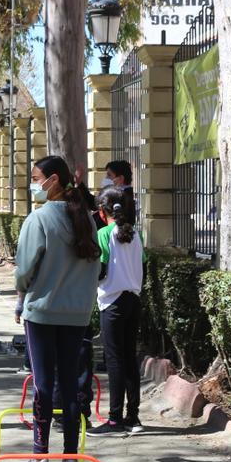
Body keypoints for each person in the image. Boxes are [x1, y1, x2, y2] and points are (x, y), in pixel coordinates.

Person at [11, 155, 101, 462]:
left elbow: (23, 270)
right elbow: (95, 267)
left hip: (43, 311)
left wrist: (21, 293)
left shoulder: (39, 220)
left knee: (44, 385)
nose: (35, 184)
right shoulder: (87, 220)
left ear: (53, 180)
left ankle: (39, 458)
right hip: (77, 314)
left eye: (38, 178)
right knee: (71, 385)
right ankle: (71, 461)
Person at [87, 187, 146, 437]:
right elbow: (143, 265)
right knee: (130, 358)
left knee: (114, 360)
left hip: (112, 302)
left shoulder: (103, 234)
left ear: (102, 212)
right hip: (133, 299)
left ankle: (114, 419)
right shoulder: (136, 234)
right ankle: (133, 416)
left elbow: (100, 270)